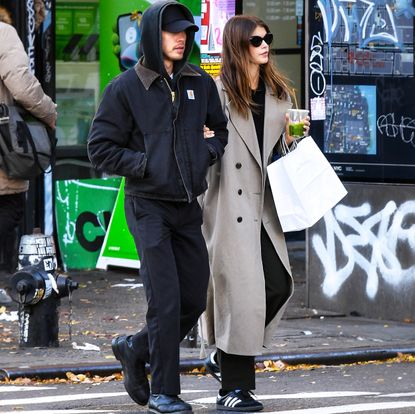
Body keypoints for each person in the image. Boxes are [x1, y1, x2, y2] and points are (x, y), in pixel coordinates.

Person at [87, 1, 228, 412]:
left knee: (193, 301)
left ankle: (134, 348)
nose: (181, 37)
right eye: (172, 31)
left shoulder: (199, 83)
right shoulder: (126, 88)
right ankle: (165, 391)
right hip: (147, 205)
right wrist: (145, 164)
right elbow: (100, 149)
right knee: (164, 301)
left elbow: (218, 130)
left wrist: (208, 151)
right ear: (152, 35)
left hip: (187, 206)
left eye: (185, 31)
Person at [200, 15, 310, 412]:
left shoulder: (279, 93)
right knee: (241, 298)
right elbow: (201, 150)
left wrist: (296, 138)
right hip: (229, 205)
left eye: (268, 39)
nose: (265, 46)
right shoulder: (215, 93)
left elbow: (282, 154)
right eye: (256, 40)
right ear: (237, 46)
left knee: (278, 285)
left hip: (264, 207)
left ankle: (223, 357)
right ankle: (235, 389)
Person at [0, 5, 56, 300]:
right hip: (4, 146)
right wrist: (49, 112)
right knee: (10, 207)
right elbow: (22, 85)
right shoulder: (4, 33)